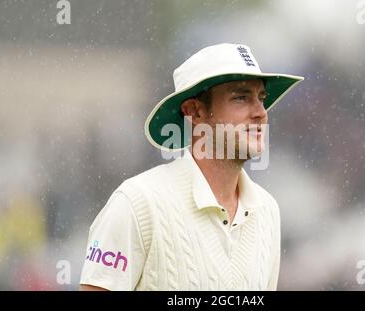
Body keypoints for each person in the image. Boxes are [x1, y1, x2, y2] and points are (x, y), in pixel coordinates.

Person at [79, 43, 303, 291]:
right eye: (241, 97)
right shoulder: (136, 203)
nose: (261, 113)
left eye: (261, 98)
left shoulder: (268, 211)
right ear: (195, 112)